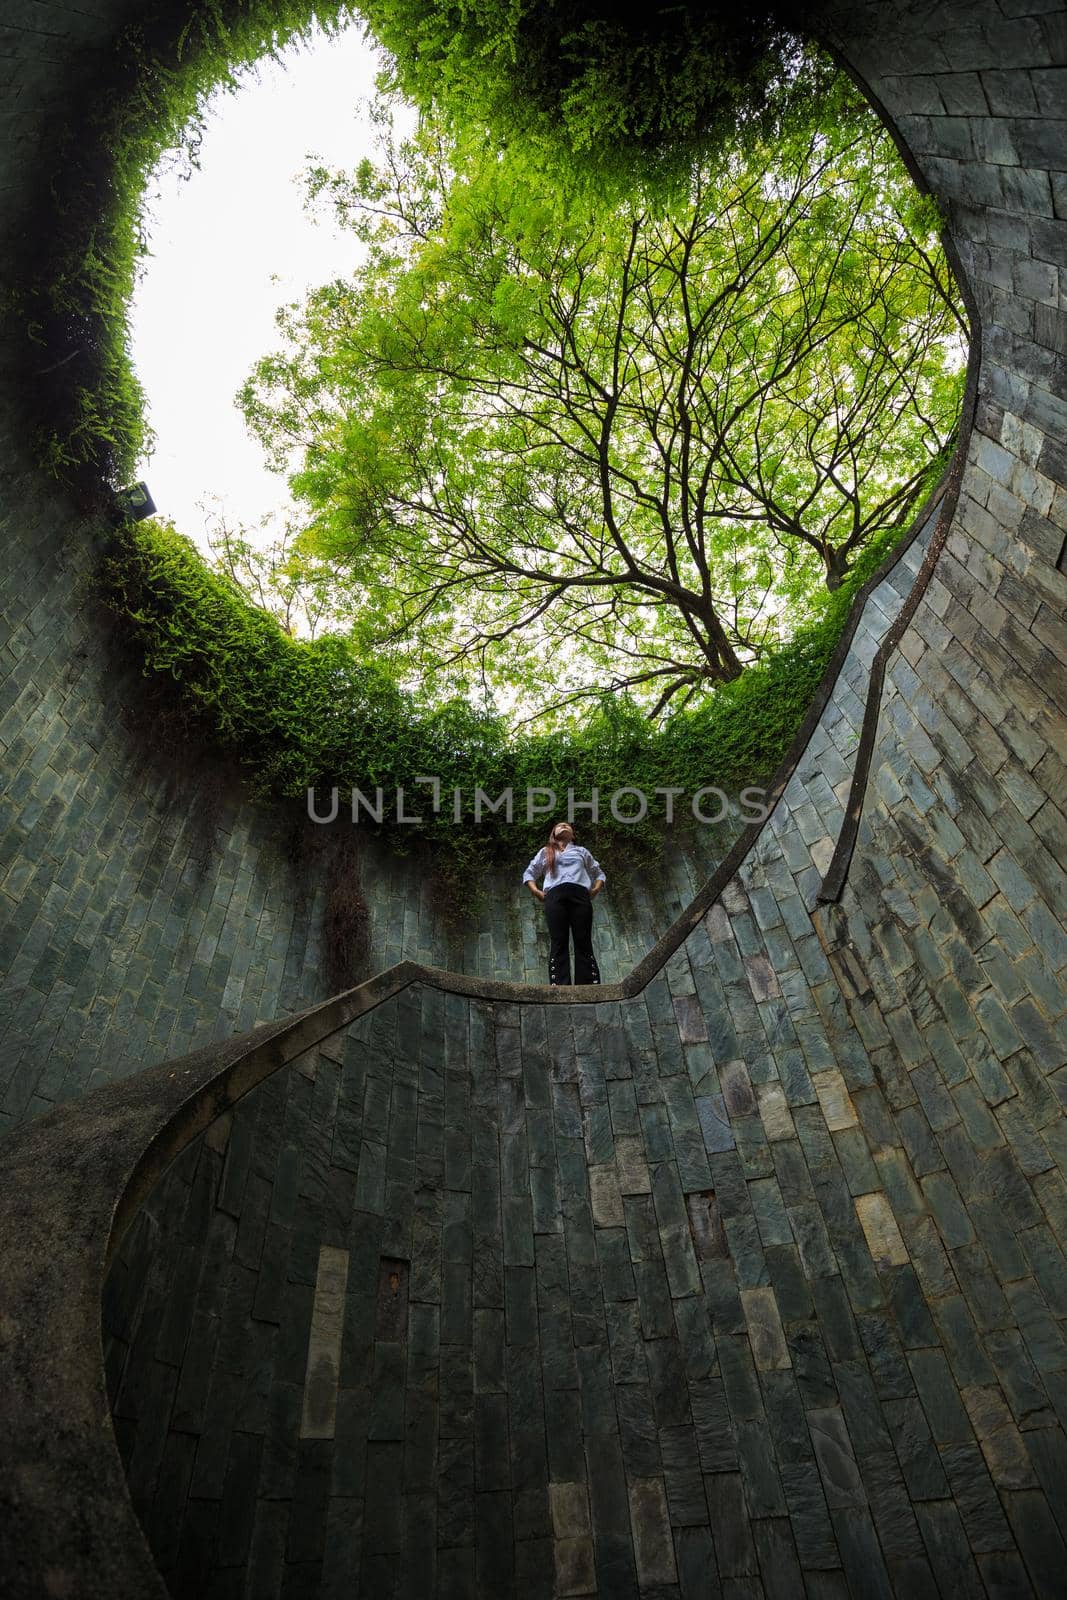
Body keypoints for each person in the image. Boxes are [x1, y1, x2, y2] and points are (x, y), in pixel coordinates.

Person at [523, 820, 606, 986]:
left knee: (583, 939)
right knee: (558, 940)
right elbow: (529, 873)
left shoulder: (581, 851)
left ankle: (588, 984)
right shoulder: (546, 852)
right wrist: (536, 891)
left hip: (580, 895)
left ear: (573, 835)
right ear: (553, 834)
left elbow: (599, 873)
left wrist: (595, 890)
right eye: (560, 826)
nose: (564, 826)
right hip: (554, 896)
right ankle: (560, 984)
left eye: (568, 825)